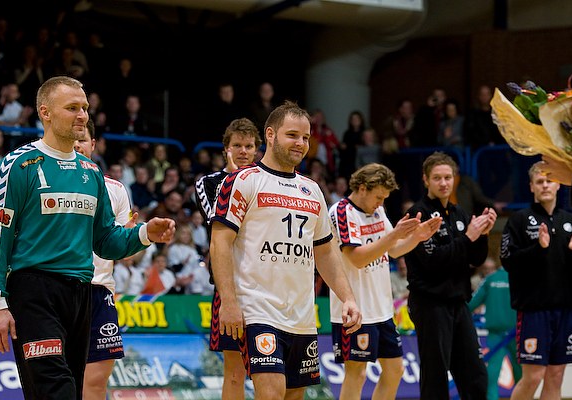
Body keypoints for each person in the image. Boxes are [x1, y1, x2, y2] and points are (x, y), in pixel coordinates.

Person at [0, 76, 176, 400]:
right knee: (58, 389)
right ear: (46, 112)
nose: (82, 115)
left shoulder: (91, 172)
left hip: (81, 295)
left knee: (58, 390)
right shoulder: (17, 165)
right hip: (33, 292)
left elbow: (105, 240)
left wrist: (143, 234)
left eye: (84, 107)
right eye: (72, 108)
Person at [210, 100, 362, 400]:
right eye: (292, 135)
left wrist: (348, 298)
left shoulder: (313, 189)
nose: (301, 143)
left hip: (302, 316)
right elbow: (220, 242)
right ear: (270, 134)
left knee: (293, 396)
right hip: (258, 310)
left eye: (306, 137)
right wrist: (228, 301)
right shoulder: (243, 181)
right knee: (271, 393)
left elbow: (326, 252)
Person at [328, 163, 442, 400]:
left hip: (382, 309)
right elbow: (357, 258)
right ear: (361, 188)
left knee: (395, 370)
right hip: (354, 309)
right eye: (378, 197)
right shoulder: (341, 212)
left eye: (384, 198)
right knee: (357, 374)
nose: (381, 203)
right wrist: (393, 235)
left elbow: (393, 250)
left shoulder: (378, 211)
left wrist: (417, 237)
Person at [404, 151, 497, 400]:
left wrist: (483, 234)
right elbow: (433, 262)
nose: (444, 183)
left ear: (454, 178)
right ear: (426, 180)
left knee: (475, 375)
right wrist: (469, 238)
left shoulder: (459, 213)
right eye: (437, 178)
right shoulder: (418, 215)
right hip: (430, 304)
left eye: (448, 177)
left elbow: (475, 260)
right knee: (435, 376)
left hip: (458, 303)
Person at [194, 117, 262, 400]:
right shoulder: (208, 183)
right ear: (226, 149)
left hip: (264, 284)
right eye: (237, 145)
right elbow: (218, 224)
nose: (243, 151)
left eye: (249, 146)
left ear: (258, 149)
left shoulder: (266, 181)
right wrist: (235, 180)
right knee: (234, 371)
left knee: (266, 370)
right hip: (229, 286)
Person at [73, 118, 136, 400]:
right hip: (56, 288)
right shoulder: (39, 179)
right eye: (72, 138)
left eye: (82, 139)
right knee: (57, 381)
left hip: (100, 291)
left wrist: (137, 237)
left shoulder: (116, 189)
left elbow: (121, 249)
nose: (77, 144)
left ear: (93, 144)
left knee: (96, 382)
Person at [500, 161, 572, 400]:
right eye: (539, 182)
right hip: (534, 310)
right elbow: (507, 261)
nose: (545, 186)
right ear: (531, 186)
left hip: (565, 310)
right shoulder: (519, 220)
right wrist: (538, 248)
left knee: (556, 376)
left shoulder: (570, 220)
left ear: (558, 185)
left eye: (549, 181)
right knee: (533, 376)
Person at [467, 258, 521, 400]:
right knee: (521, 370)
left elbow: (471, 304)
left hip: (496, 331)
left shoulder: (490, 279)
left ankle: (491, 398)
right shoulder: (520, 278)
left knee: (493, 369)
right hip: (516, 331)